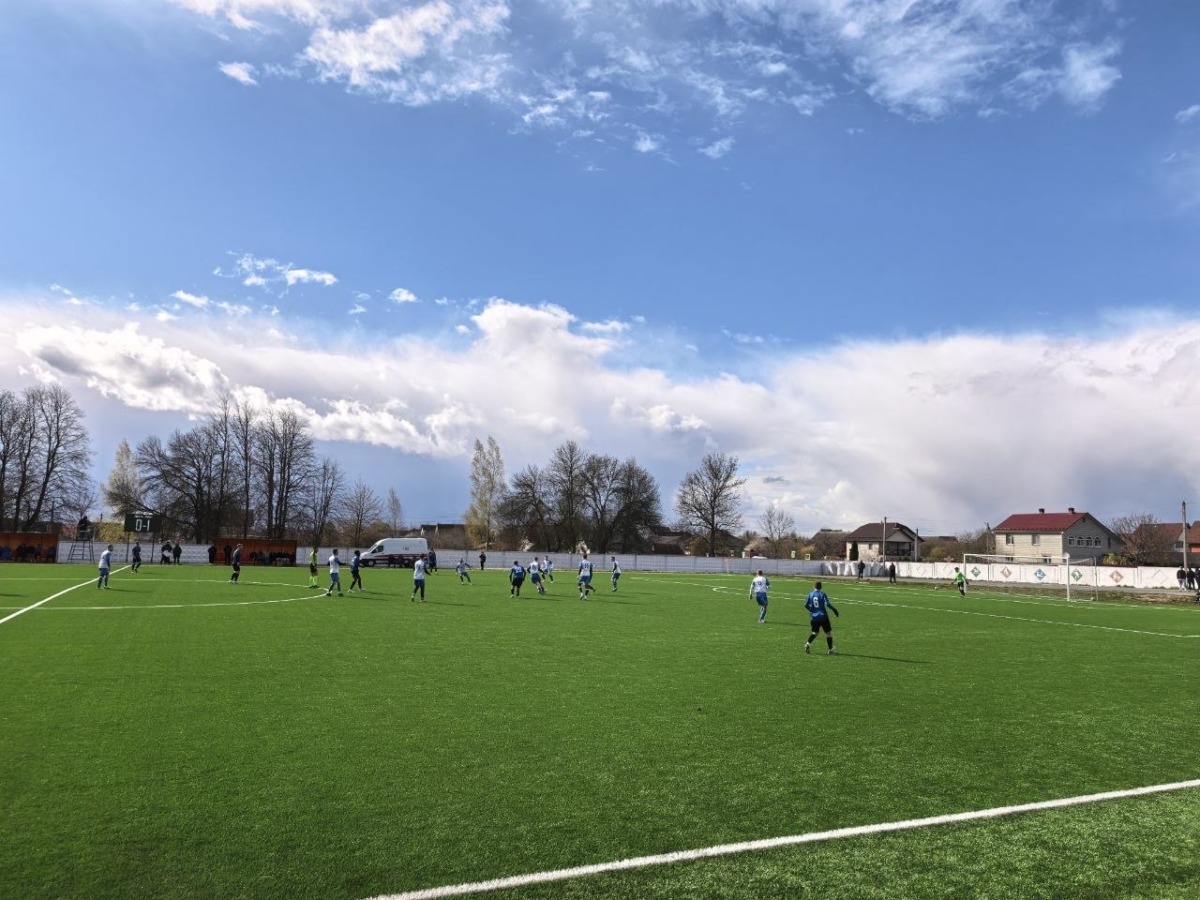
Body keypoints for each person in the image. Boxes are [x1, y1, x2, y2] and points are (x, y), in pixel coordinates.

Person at [804, 580, 839, 655]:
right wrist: (834, 610)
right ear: (821, 587)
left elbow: (806, 605)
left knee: (815, 632)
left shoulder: (810, 594)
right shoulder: (822, 594)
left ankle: (808, 644)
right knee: (828, 633)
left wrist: (812, 611)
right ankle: (830, 649)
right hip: (823, 617)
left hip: (814, 618)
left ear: (814, 586)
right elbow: (827, 604)